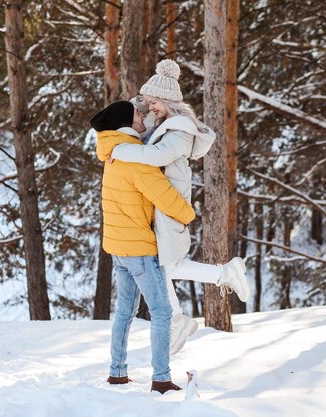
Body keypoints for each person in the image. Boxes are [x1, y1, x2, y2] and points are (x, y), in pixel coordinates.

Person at [111, 60, 251, 355]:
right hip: (159, 205)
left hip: (171, 205)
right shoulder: (163, 124)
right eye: (148, 102)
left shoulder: (180, 130)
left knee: (167, 265)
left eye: (155, 102)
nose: (150, 107)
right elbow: (139, 114)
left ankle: (224, 276)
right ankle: (179, 319)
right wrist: (141, 103)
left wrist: (122, 151)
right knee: (161, 265)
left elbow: (157, 155)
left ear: (169, 101)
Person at [91, 100, 192, 394]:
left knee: (124, 311)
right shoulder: (135, 160)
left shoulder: (112, 154)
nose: (142, 116)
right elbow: (166, 197)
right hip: (140, 249)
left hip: (119, 247)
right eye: (137, 113)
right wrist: (189, 215)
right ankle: (161, 379)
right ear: (125, 122)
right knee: (161, 312)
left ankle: (117, 372)